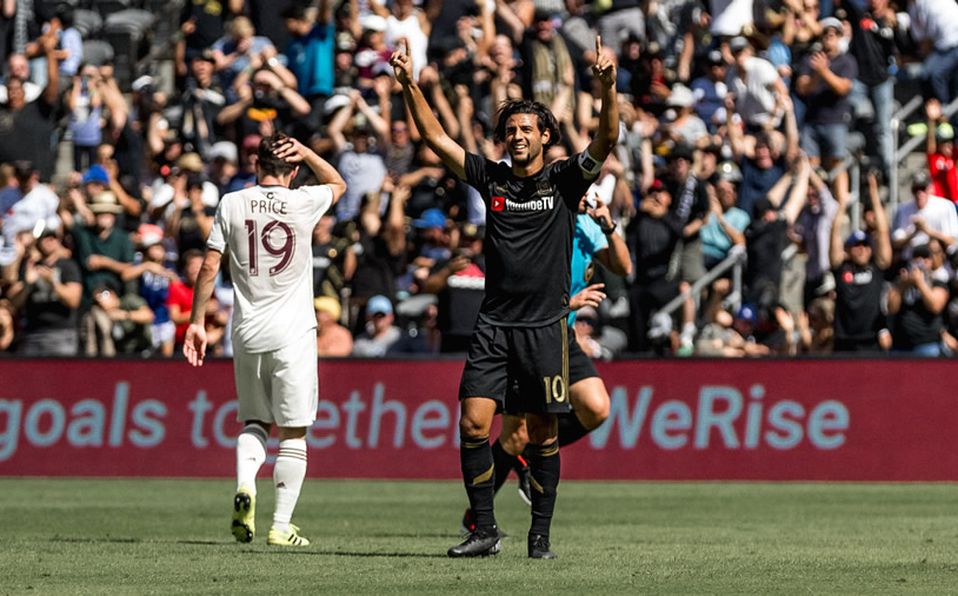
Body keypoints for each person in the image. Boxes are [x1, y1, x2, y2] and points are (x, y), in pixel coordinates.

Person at [391, 35, 618, 559]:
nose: (516, 136)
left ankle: (540, 537)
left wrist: (607, 88)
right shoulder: (490, 178)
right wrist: (408, 84)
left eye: (525, 129)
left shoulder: (564, 180)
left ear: (545, 135)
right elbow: (435, 138)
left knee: (541, 435)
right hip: (493, 326)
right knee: (473, 422)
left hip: (544, 328)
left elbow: (607, 138)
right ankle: (485, 530)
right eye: (509, 130)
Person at [183, 132, 346, 547]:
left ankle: (244, 483)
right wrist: (308, 151)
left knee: (255, 421)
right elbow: (338, 184)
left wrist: (197, 322)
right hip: (293, 333)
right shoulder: (303, 201)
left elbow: (208, 268)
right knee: (293, 432)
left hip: (247, 331)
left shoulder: (231, 203)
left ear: (255, 166)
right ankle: (280, 526)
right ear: (292, 171)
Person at [461, 193, 632, 536]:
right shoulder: (541, 224)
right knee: (514, 434)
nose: (583, 195)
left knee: (596, 408)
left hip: (562, 336)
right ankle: (478, 516)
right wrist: (571, 301)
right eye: (577, 189)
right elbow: (526, 292)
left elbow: (624, 267)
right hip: (527, 335)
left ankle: (529, 456)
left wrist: (608, 224)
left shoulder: (585, 226)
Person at [829, 172, 893, 352]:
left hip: (871, 340)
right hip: (844, 340)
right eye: (856, 246)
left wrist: (873, 193)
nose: (861, 249)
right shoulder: (842, 267)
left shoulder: (877, 267)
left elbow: (882, 232)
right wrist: (841, 205)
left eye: (865, 245)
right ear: (848, 250)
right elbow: (833, 236)